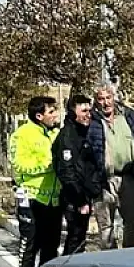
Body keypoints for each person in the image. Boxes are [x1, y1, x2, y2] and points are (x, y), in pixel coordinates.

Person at [7, 95, 62, 267]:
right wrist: (48, 166)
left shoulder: (56, 133)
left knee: (51, 245)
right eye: (51, 111)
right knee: (30, 243)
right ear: (39, 116)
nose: (56, 114)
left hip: (54, 199)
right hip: (31, 198)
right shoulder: (22, 135)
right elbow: (18, 166)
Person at [86, 84, 134, 249]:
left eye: (108, 98)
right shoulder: (91, 121)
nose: (106, 103)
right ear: (96, 101)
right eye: (101, 99)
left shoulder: (129, 116)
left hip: (128, 177)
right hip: (104, 181)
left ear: (114, 98)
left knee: (132, 223)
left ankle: (129, 260)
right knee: (106, 230)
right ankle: (110, 262)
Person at [53, 95, 103, 257]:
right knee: (75, 238)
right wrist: (80, 200)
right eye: (84, 111)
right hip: (73, 198)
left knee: (80, 238)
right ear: (73, 112)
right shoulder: (67, 136)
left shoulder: (84, 132)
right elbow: (67, 172)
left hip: (85, 194)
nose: (88, 114)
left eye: (89, 110)